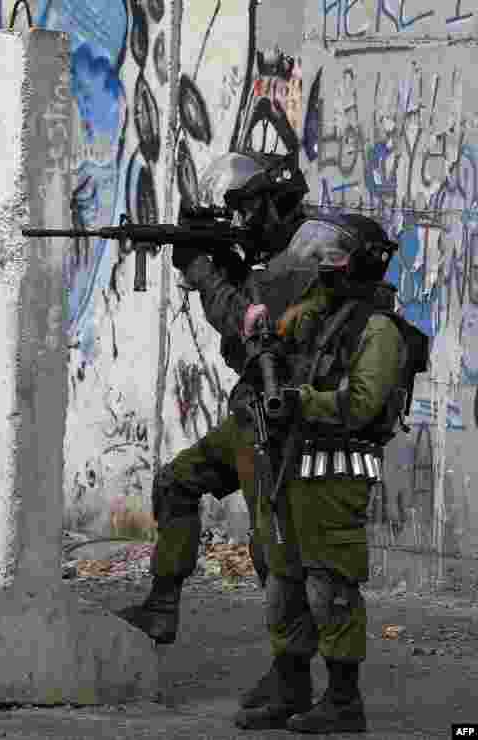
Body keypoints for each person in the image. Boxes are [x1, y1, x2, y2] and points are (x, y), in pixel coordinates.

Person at [117, 151, 309, 709]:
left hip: (277, 423)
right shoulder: (269, 254)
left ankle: (291, 675)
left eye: (249, 208)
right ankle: (160, 607)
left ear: (276, 202)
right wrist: (219, 266)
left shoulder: (299, 259)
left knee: (271, 547)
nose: (243, 221)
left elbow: (250, 328)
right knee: (176, 483)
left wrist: (207, 277)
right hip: (248, 415)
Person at [231, 212, 425, 733]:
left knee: (329, 584)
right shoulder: (324, 312)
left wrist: (300, 401)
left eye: (333, 255)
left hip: (336, 467)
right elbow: (278, 328)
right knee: (284, 581)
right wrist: (261, 329)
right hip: (294, 462)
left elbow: (361, 405)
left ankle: (343, 700)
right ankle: (291, 687)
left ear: (358, 262)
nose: (323, 265)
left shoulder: (378, 329)